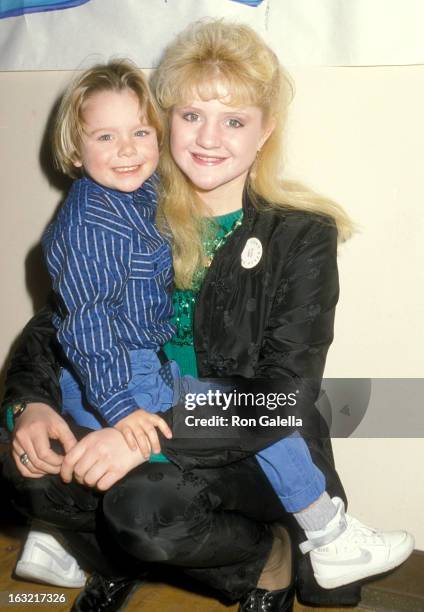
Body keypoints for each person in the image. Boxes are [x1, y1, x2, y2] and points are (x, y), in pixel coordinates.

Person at [1, 19, 414, 612]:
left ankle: (266, 561)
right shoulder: (132, 205)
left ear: (265, 130)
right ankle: (104, 558)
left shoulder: (301, 236)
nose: (209, 138)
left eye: (235, 120)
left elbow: (285, 395)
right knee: (27, 466)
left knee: (142, 504)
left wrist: (139, 436)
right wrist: (30, 405)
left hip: (247, 440)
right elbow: (60, 322)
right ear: (167, 119)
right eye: (192, 115)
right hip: (134, 410)